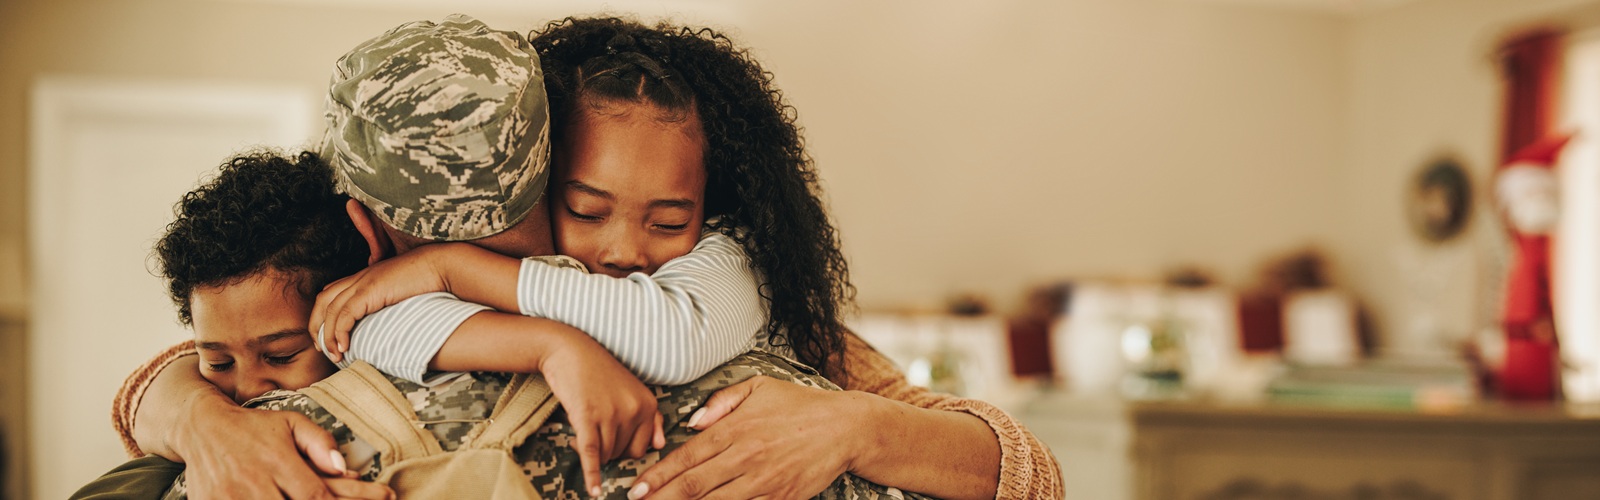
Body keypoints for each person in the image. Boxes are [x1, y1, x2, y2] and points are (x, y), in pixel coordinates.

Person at [115, 14, 1065, 500]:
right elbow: (205, 364)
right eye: (585, 212)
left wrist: (852, 427)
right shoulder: (345, 315)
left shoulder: (748, 315)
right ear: (372, 237)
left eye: (510, 219)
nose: (616, 257)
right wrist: (205, 419)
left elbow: (1029, 473)